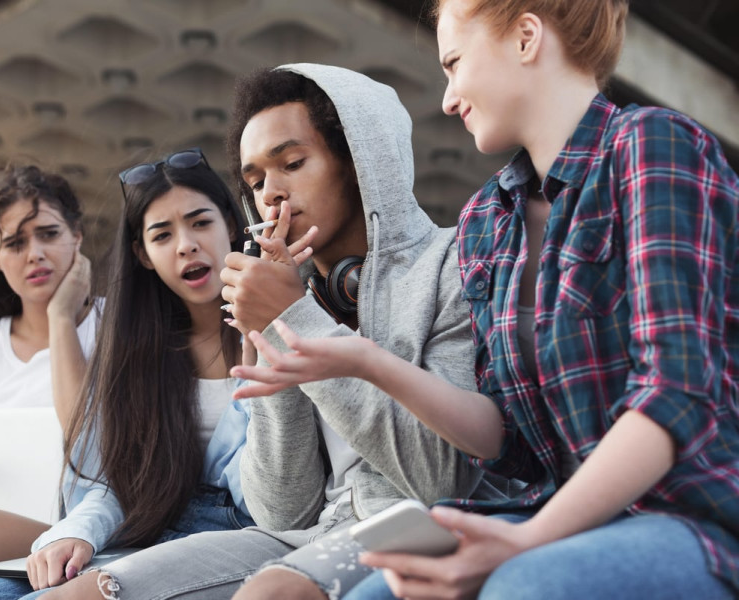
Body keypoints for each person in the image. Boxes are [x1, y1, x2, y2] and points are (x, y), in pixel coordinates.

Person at [230, 1, 739, 598]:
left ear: (526, 38)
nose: (447, 98)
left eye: (454, 62)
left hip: (682, 513)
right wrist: (361, 360)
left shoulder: (652, 147)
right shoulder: (488, 219)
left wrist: (529, 539)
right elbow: (503, 438)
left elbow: (673, 392)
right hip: (541, 510)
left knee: (524, 585)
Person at [37, 63, 506, 600]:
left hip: (419, 524)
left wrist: (300, 320)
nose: (271, 195)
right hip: (301, 535)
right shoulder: (289, 291)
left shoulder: (450, 263)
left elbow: (439, 480)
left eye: (292, 163)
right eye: (256, 181)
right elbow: (284, 506)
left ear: (357, 160)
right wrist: (276, 330)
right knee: (77, 595)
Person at [0, 148, 312, 600]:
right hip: (137, 535)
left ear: (232, 226)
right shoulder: (134, 351)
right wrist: (75, 531)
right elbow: (111, 479)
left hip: (240, 541)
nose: (185, 245)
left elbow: (279, 500)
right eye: (162, 235)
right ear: (143, 255)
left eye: (200, 222)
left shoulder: (288, 328)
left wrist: (264, 341)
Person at [0, 165, 95, 597]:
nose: (35, 253)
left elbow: (87, 438)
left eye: (48, 234)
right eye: (15, 243)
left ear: (76, 238)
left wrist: (62, 317)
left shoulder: (117, 325)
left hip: (78, 532)